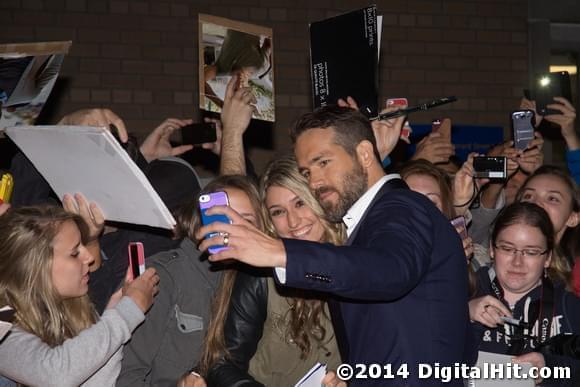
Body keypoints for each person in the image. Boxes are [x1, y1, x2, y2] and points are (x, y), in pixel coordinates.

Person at [196, 105, 471, 386]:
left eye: (323, 162)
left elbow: (389, 270)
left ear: (364, 154)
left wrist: (279, 252)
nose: (315, 181)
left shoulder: (401, 207)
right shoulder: (367, 224)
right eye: (306, 172)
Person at [201, 156, 343, 386]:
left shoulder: (356, 263)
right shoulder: (260, 275)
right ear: (269, 221)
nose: (294, 222)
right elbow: (223, 362)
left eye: (300, 203)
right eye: (278, 212)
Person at [116, 175, 262, 387]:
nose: (233, 231)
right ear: (199, 224)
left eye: (246, 221)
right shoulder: (162, 277)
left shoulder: (255, 284)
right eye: (223, 220)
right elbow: (124, 376)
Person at [0, 205, 159, 386]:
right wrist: (125, 313)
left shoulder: (75, 308)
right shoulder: (3, 320)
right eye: (75, 252)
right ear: (34, 267)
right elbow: (54, 375)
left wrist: (113, 311)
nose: (89, 257)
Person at [468, 202, 580, 386]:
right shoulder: (464, 292)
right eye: (507, 248)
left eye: (531, 252)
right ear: (491, 248)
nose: (517, 262)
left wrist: (551, 369)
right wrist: (462, 314)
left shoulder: (570, 306)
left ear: (548, 258)